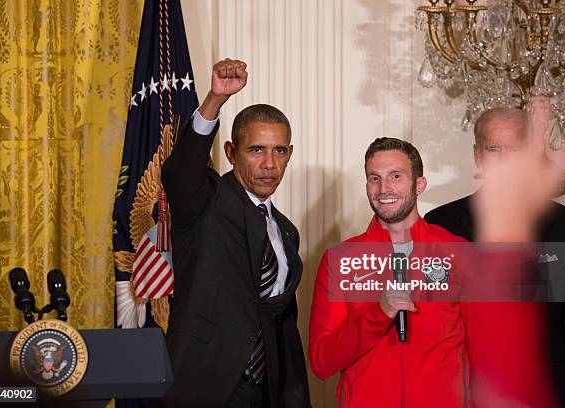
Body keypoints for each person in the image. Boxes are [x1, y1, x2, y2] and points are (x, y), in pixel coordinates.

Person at [161, 59, 311, 408]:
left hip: (266, 390)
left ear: (290, 155)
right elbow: (181, 171)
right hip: (203, 387)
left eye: (279, 151)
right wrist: (214, 100)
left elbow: (282, 325)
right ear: (231, 153)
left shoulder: (286, 232)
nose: (269, 164)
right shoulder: (205, 202)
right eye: (257, 150)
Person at [425, 107, 565, 407]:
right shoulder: (441, 224)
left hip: (547, 393)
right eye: (493, 149)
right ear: (477, 155)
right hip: (463, 393)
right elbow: (433, 324)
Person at [308, 137, 471, 407]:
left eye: (395, 176)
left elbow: (484, 353)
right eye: (374, 178)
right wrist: (379, 314)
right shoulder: (339, 261)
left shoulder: (458, 252)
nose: (384, 188)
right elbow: (321, 361)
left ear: (419, 184)